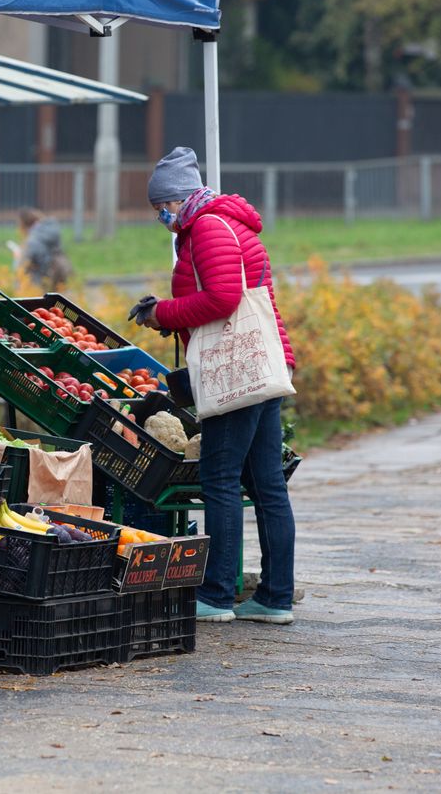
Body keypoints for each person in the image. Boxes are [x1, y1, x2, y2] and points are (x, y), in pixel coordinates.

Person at [137, 146, 297, 624]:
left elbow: (224, 299)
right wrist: (173, 315)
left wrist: (162, 312)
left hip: (236, 373)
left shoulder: (205, 227)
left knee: (220, 478)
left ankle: (216, 594)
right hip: (261, 365)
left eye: (158, 208)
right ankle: (274, 597)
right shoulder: (225, 222)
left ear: (174, 200)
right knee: (266, 483)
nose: (159, 218)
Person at [16, 208, 72, 291]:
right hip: (58, 274)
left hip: (40, 282)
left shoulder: (32, 240)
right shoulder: (50, 232)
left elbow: (21, 266)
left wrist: (18, 256)